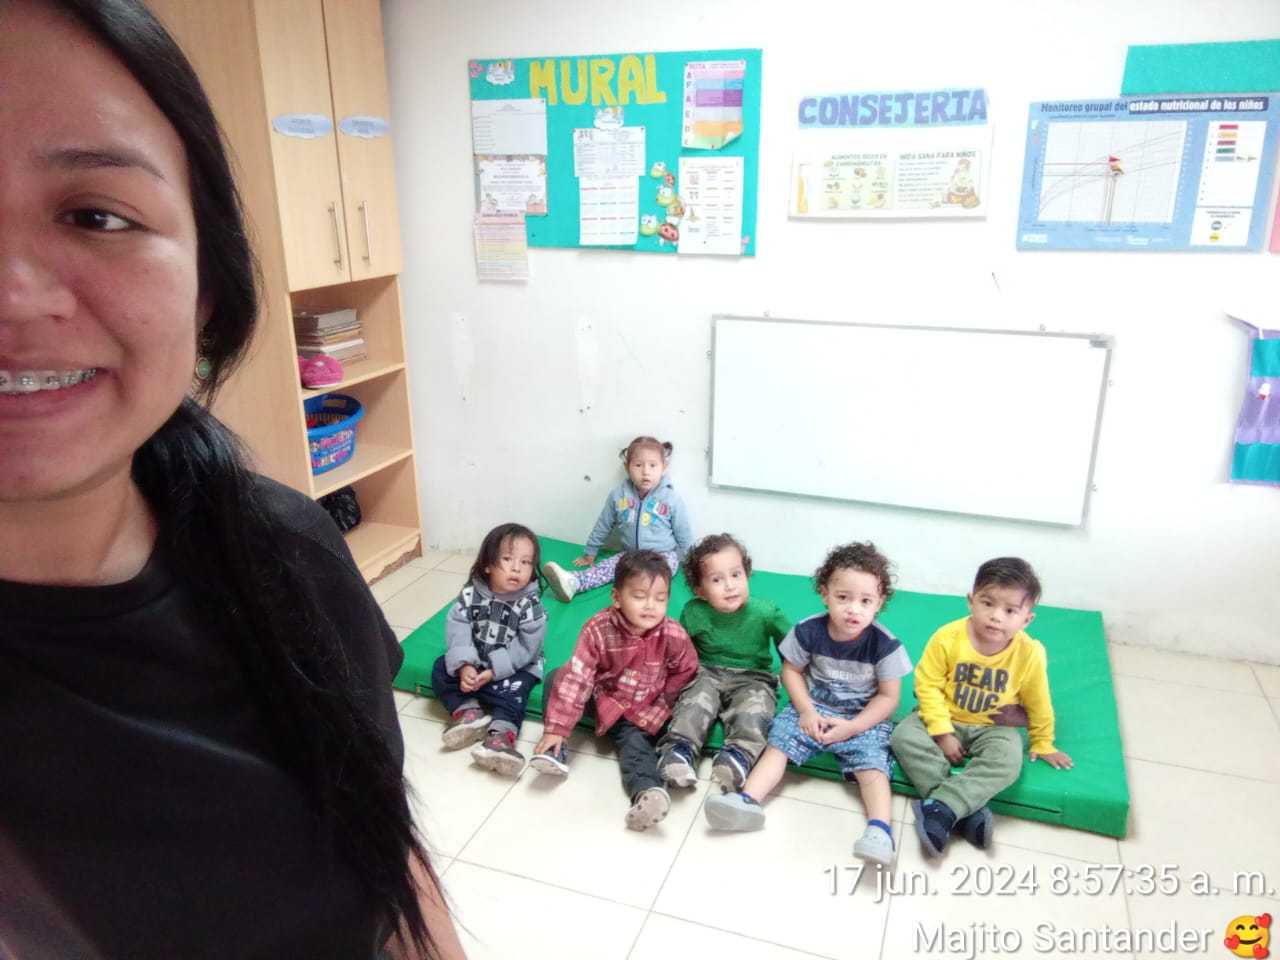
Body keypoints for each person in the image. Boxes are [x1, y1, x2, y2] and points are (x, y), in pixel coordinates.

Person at [0, 3, 462, 957]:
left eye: (96, 215)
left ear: (207, 288)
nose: (13, 294)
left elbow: (387, 851)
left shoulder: (286, 550)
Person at [704, 542, 911, 867]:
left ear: (879, 602)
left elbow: (889, 697)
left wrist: (854, 727)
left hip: (861, 716)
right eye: (843, 597)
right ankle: (747, 801)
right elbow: (791, 671)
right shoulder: (808, 630)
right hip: (814, 706)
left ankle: (880, 830)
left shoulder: (885, 645)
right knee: (778, 744)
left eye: (865, 601)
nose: (853, 609)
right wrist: (806, 711)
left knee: (873, 764)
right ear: (824, 594)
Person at [892, 557, 1073, 858]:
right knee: (903, 736)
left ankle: (944, 807)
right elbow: (927, 685)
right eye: (987, 603)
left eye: (1010, 611)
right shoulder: (947, 638)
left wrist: (1043, 741)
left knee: (1008, 759)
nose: (996, 617)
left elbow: (1038, 701)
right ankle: (963, 810)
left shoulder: (1029, 653)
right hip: (944, 716)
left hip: (993, 727)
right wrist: (941, 733)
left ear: (1026, 620)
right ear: (971, 601)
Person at [529, 551, 698, 831]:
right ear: (617, 598)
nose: (651, 606)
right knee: (557, 677)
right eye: (640, 596)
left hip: (641, 709)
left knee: (636, 747)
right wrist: (557, 728)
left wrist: (663, 701)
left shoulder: (673, 634)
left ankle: (647, 794)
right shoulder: (597, 628)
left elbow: (687, 668)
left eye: (660, 598)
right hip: (601, 696)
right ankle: (555, 751)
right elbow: (578, 676)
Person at [656, 533, 791, 792]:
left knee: (754, 711)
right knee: (694, 703)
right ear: (700, 590)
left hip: (753, 677)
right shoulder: (694, 611)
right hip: (706, 672)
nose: (730, 586)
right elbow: (680, 649)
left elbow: (793, 648)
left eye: (736, 575)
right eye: (717, 580)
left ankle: (737, 758)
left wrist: (795, 676)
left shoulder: (765, 611)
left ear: (747, 574)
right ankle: (679, 753)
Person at [431, 522, 546, 777]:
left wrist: (495, 671)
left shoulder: (530, 604)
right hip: (477, 659)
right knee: (440, 667)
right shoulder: (471, 594)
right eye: (507, 559)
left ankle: (499, 738)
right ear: (488, 565)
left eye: (526, 562)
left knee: (515, 692)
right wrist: (465, 665)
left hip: (516, 666)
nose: (517, 568)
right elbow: (459, 627)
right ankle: (470, 713)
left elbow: (528, 646)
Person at [542, 435, 693, 602]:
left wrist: (692, 565)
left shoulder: (671, 499)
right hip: (630, 554)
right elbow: (603, 525)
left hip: (662, 556)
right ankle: (574, 582)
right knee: (607, 567)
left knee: (652, 576)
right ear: (627, 467)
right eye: (638, 465)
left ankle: (640, 594)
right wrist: (590, 552)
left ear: (664, 467)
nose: (646, 472)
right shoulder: (618, 495)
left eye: (653, 465)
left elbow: (683, 534)